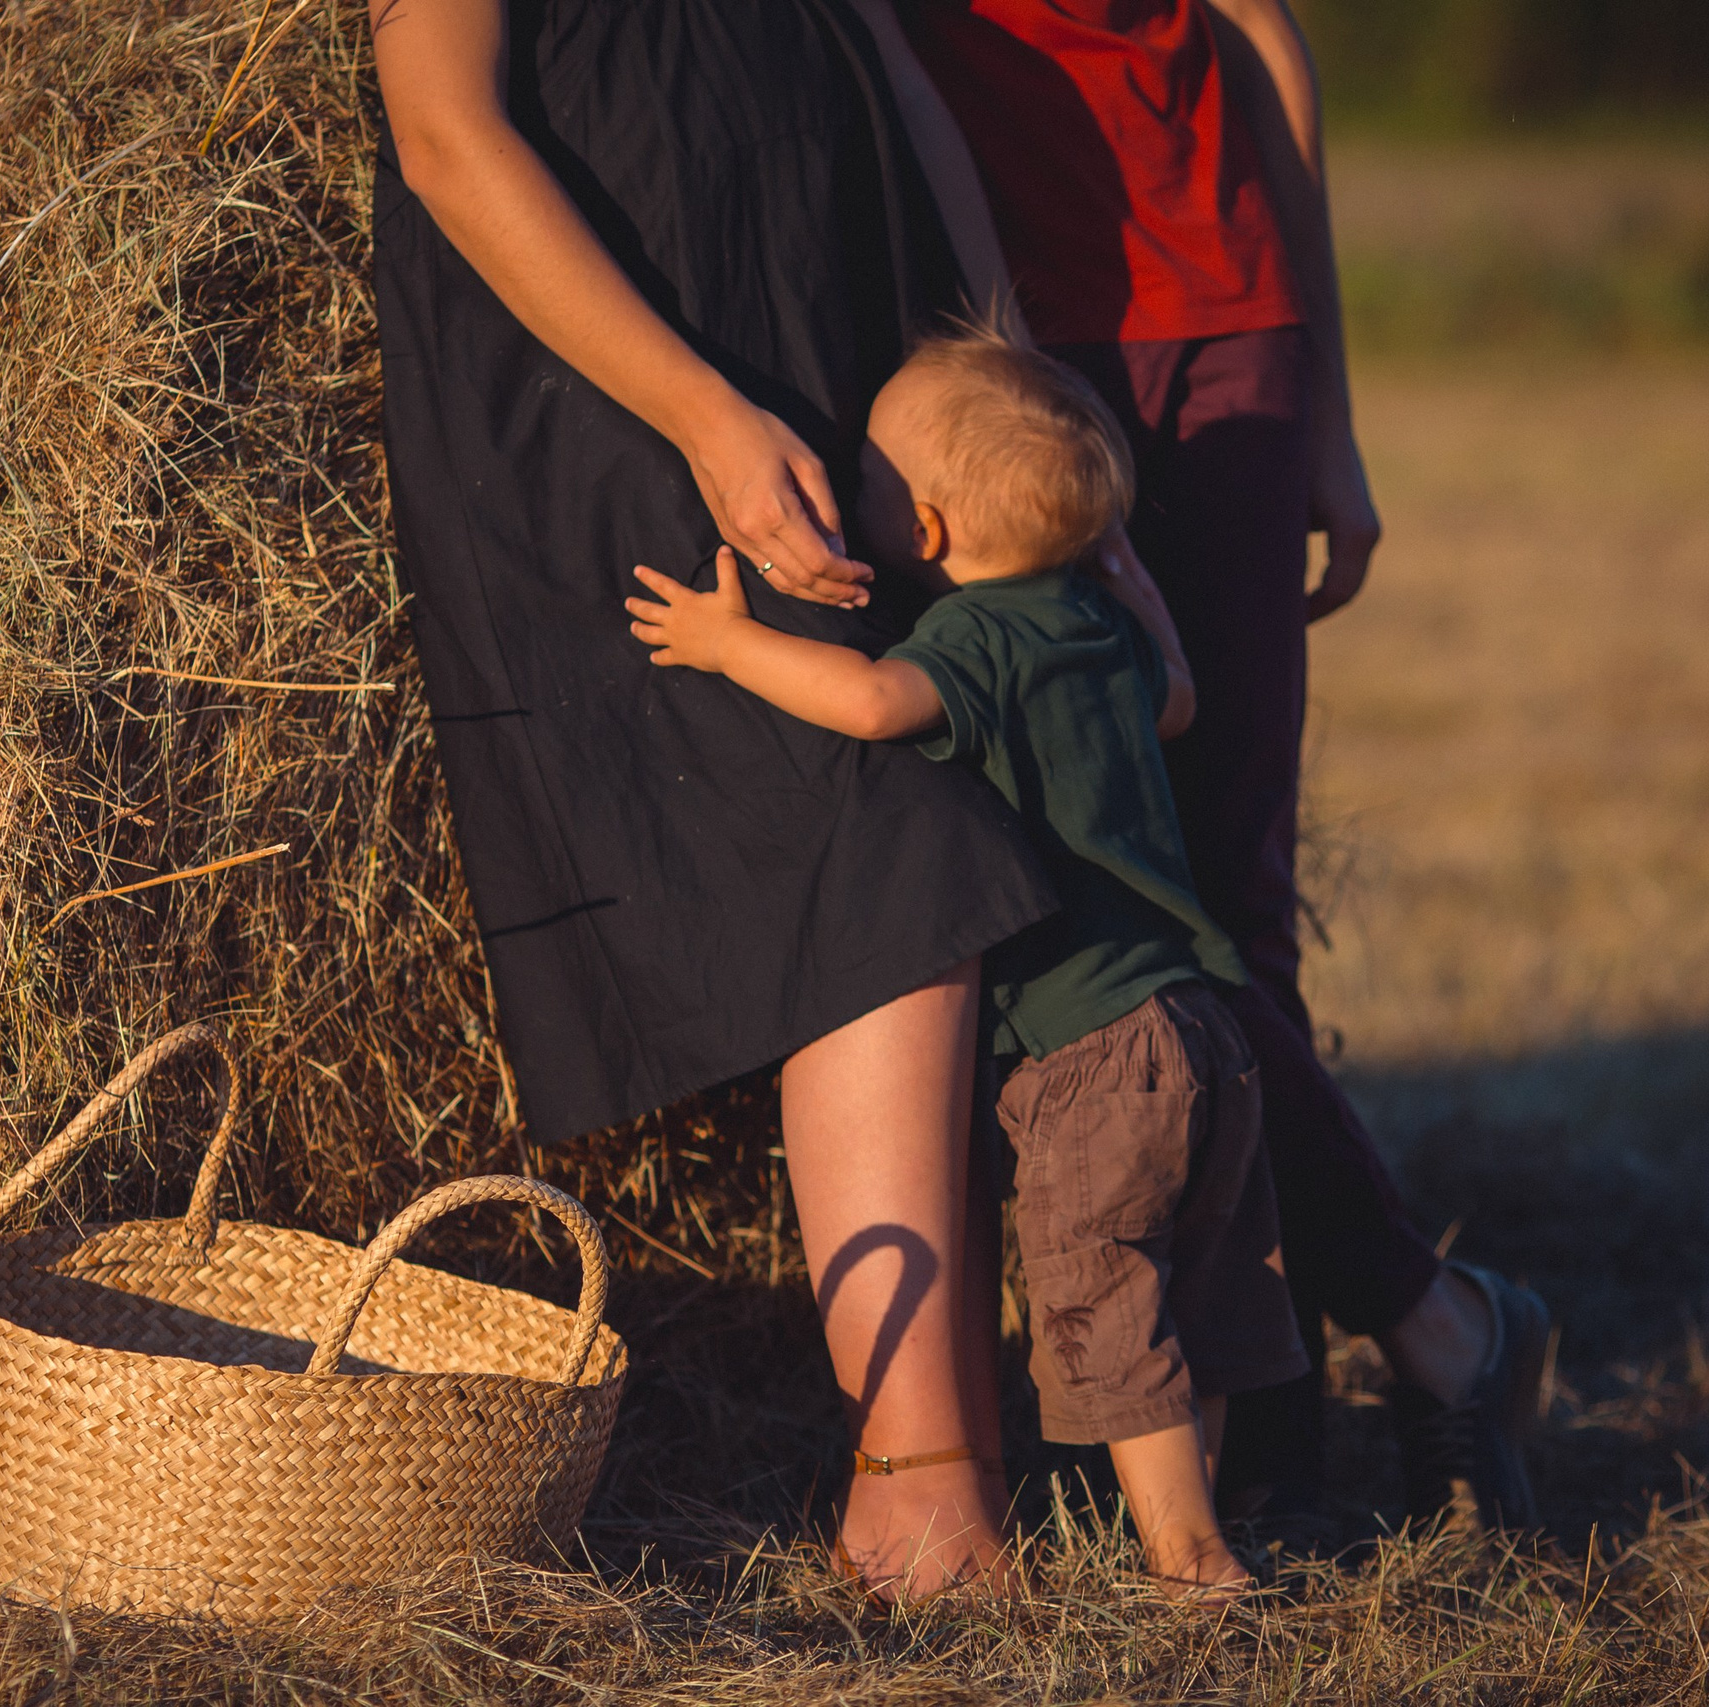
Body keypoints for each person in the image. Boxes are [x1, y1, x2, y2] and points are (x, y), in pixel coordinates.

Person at [370, 0, 1061, 1596]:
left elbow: (899, 86)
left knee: (939, 848)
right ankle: (915, 1485)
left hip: (844, 362)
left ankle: (964, 1460)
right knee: (878, 846)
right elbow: (445, 133)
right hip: (620, 404)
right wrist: (702, 417)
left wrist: (1014, 390)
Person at [895, 0, 1550, 1534]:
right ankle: (1443, 1328)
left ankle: (1276, 1437)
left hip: (1224, 337)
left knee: (1225, 912)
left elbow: (1264, 44)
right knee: (1096, 905)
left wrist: (1326, 402)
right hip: (998, 368)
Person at [626, 326, 1307, 1594]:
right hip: (1197, 1023)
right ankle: (1200, 1511)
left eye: (872, 478)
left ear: (926, 533)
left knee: (1106, 1290)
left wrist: (728, 646)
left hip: (1090, 1043)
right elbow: (1176, 700)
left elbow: (875, 706)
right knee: (1198, 1292)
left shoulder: (975, 639)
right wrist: (1139, 588)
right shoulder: (1093, 623)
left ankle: (1190, 1556)